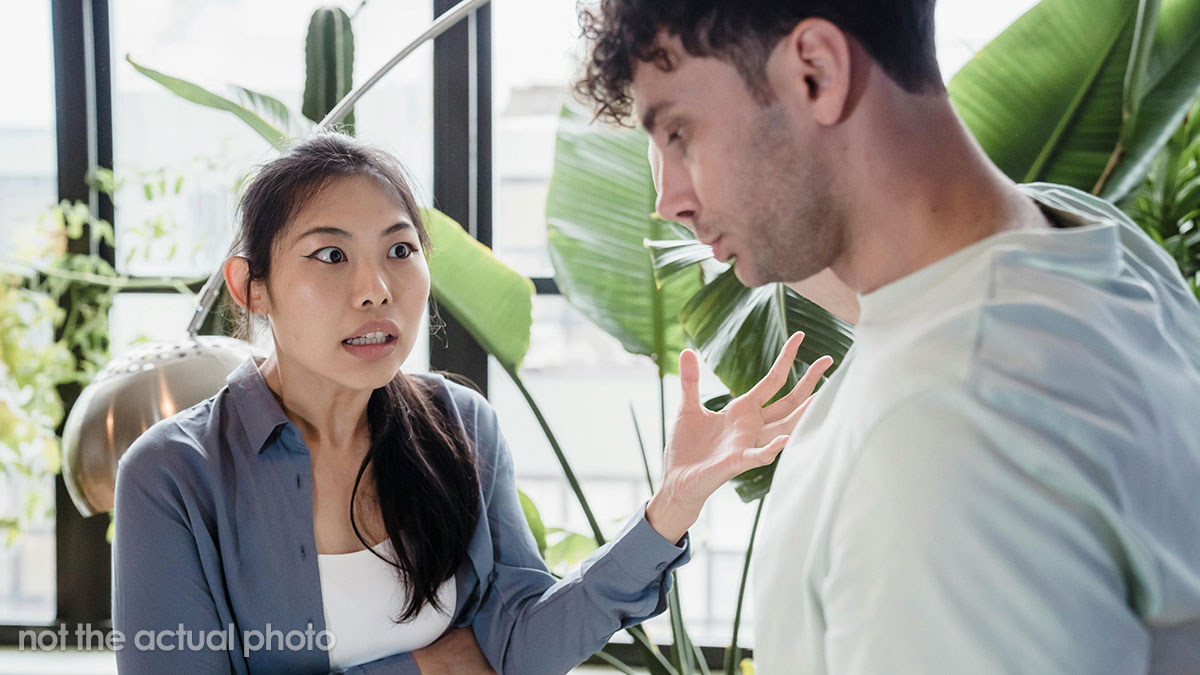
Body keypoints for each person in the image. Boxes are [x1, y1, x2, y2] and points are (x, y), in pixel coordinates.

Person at [575, 1, 1200, 673]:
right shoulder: (1086, 243)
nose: (669, 200)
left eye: (678, 133)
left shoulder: (939, 435)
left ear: (815, 72)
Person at [111, 131, 834, 674]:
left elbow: (520, 642)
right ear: (250, 287)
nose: (376, 289)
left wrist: (670, 505)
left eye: (399, 250)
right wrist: (425, 666)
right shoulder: (173, 476)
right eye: (330, 255)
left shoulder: (460, 426)